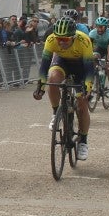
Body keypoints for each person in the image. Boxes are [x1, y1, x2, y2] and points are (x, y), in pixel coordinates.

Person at [32, 16, 94, 160]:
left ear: (73, 37)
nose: (61, 42)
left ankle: (83, 141)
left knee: (82, 104)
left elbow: (89, 70)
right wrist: (40, 85)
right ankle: (56, 113)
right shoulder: (51, 40)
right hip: (62, 62)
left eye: (65, 39)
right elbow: (44, 66)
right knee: (52, 79)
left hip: (81, 67)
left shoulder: (84, 40)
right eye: (59, 38)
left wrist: (87, 87)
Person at [88, 16, 109, 90]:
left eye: (102, 27)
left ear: (106, 27)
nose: (100, 29)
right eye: (98, 27)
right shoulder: (92, 33)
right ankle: (97, 73)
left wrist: (108, 61)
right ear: (96, 26)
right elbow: (89, 47)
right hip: (100, 47)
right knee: (93, 58)